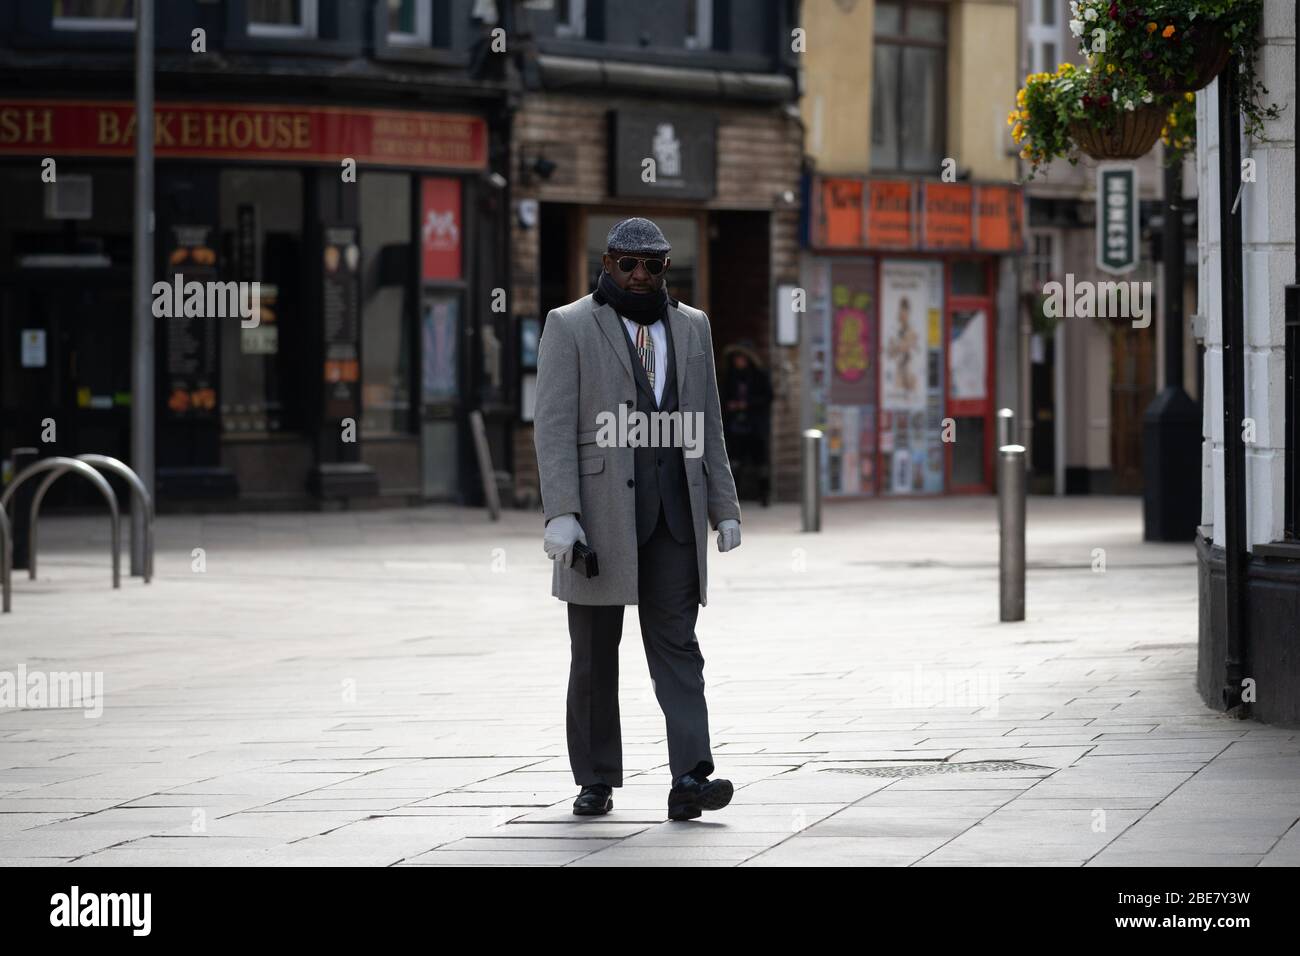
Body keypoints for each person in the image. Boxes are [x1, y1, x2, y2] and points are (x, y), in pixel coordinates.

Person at [533, 216, 743, 822]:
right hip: (598, 521)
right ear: (607, 264)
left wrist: (723, 507)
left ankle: (689, 778)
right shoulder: (569, 325)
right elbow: (552, 429)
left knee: (679, 646)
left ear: (665, 268)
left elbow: (707, 426)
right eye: (628, 264)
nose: (640, 275)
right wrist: (562, 513)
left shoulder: (694, 327)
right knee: (595, 654)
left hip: (675, 518)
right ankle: (595, 780)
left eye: (653, 265)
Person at [721, 341, 773, 507]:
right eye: (736, 358)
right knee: (735, 462)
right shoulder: (730, 376)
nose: (739, 361)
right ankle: (733, 498)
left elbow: (768, 397)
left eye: (741, 357)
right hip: (736, 426)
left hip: (755, 425)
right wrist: (731, 405)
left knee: (760, 463)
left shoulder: (759, 375)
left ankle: (764, 496)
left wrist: (747, 404)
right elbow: (723, 397)